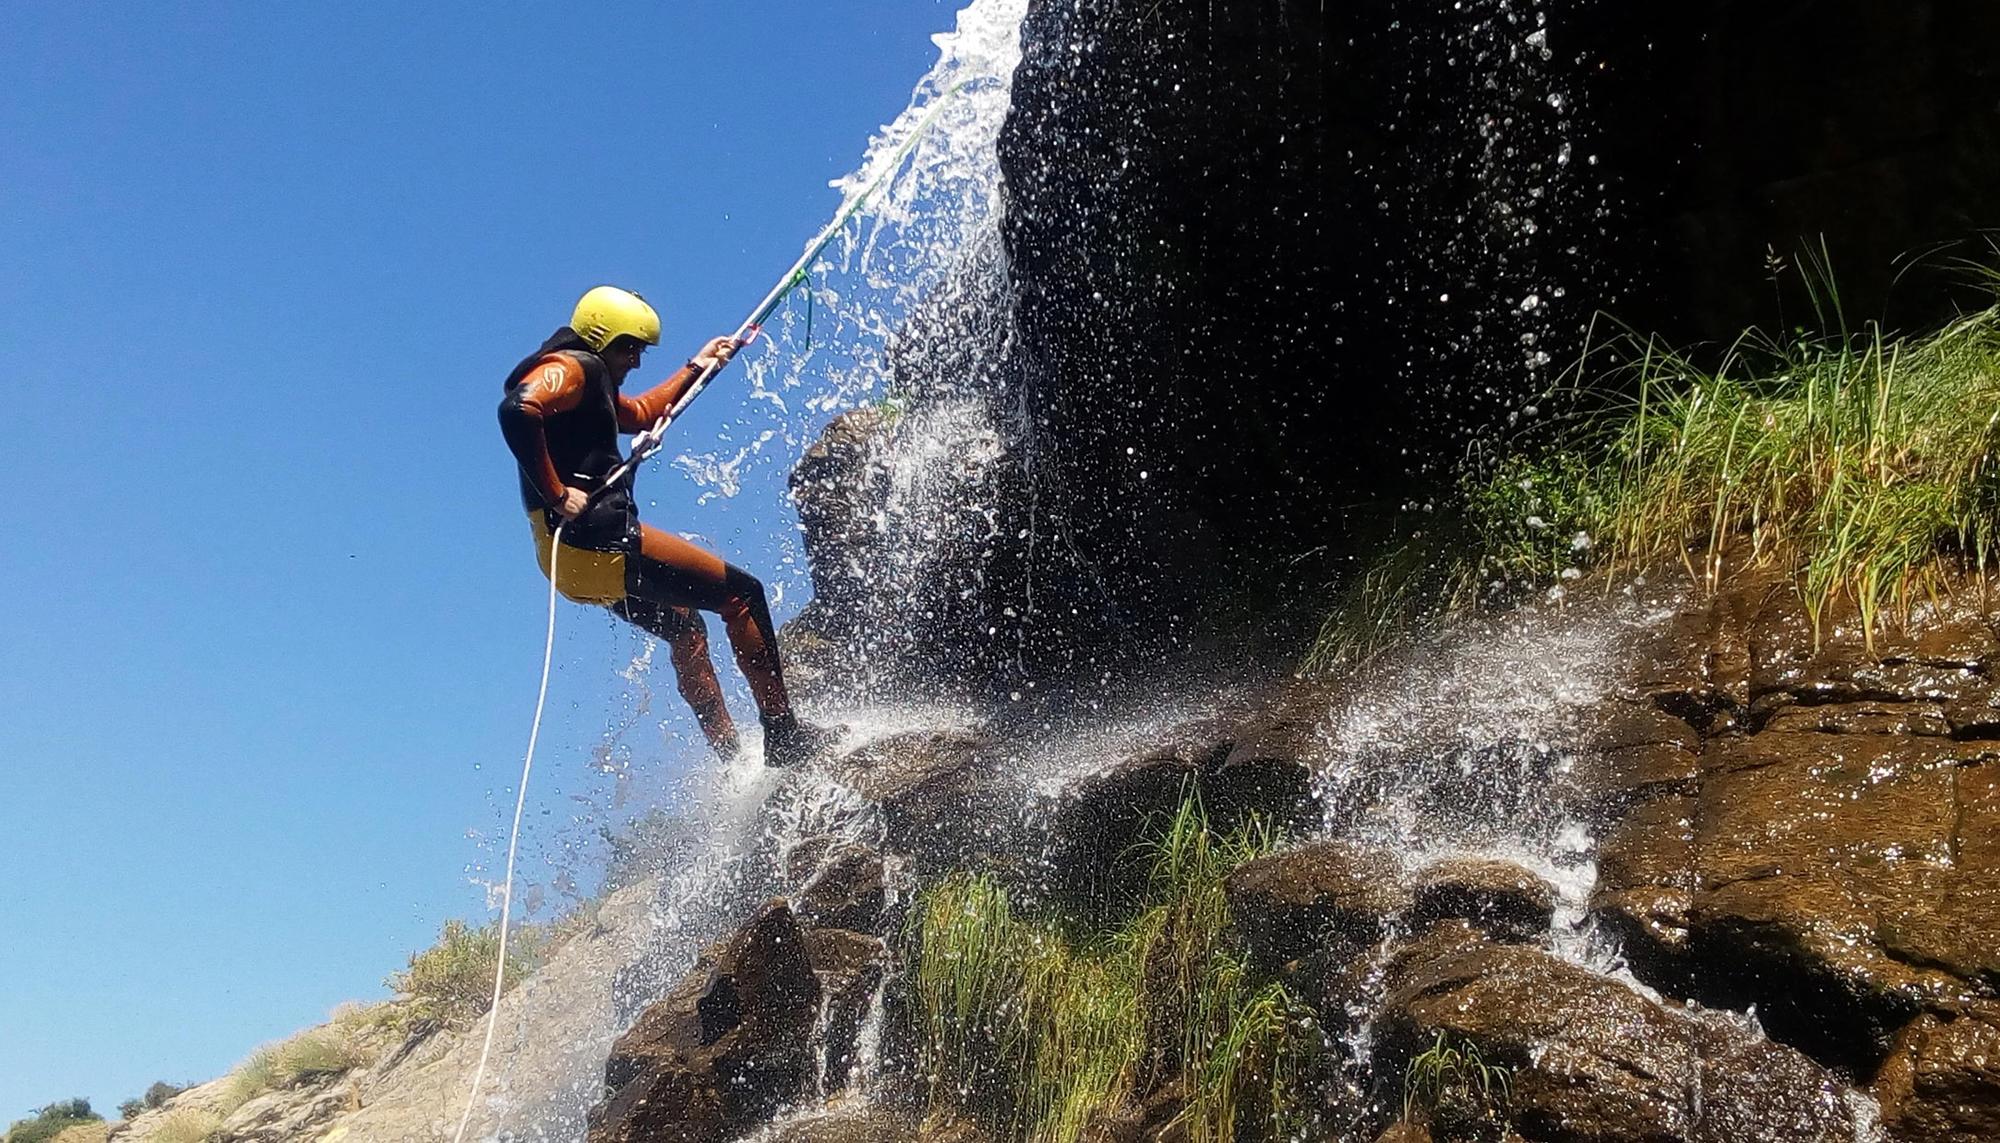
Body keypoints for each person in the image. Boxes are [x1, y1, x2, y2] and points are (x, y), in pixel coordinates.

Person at [498, 285, 837, 767]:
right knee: (742, 596)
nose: (636, 360)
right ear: (603, 336)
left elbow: (640, 414)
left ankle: (730, 759)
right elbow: (517, 409)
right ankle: (785, 737)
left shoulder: (588, 383)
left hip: (569, 564)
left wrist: (697, 367)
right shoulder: (573, 368)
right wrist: (556, 492)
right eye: (631, 346)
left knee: (684, 628)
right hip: (598, 541)